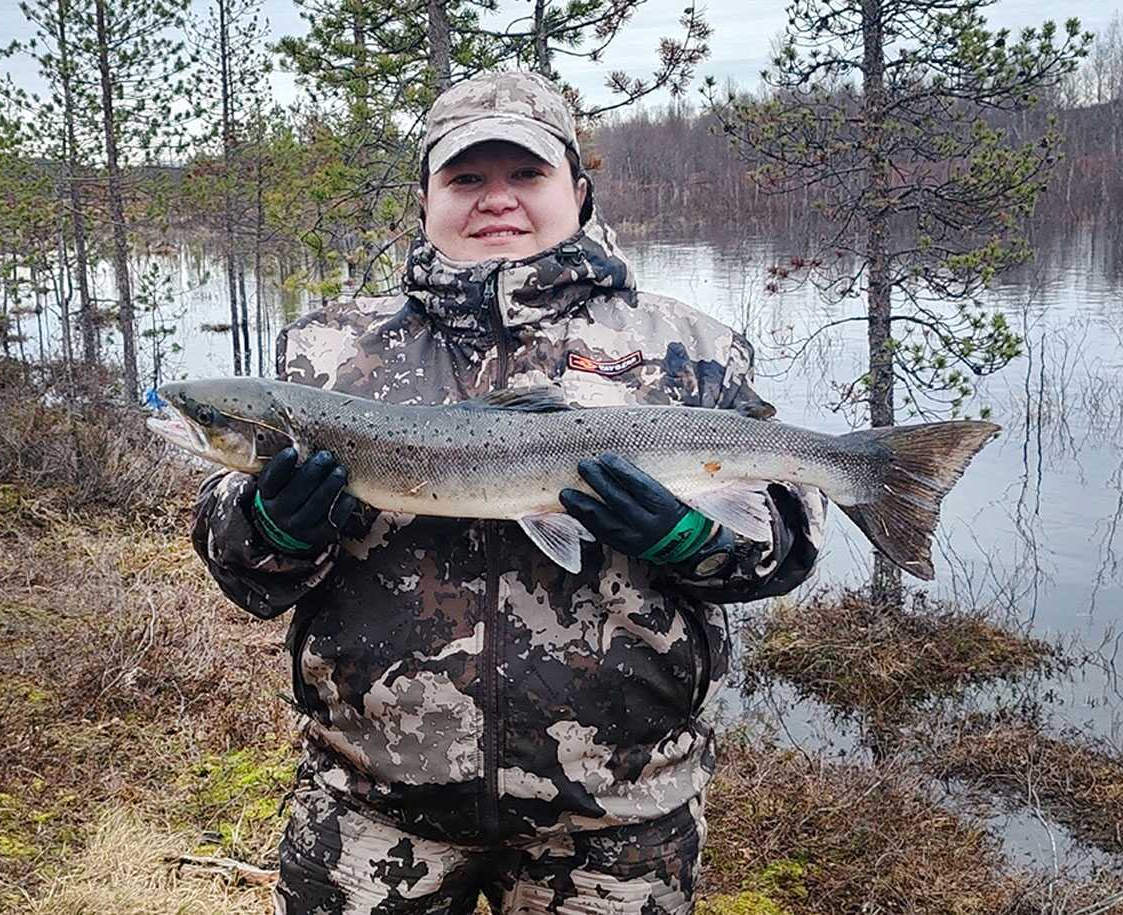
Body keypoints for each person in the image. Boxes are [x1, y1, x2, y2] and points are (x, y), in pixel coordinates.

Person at [192, 71, 826, 915]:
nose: (498, 199)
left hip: (620, 811)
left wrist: (692, 538)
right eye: (466, 178)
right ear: (425, 201)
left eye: (526, 174)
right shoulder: (327, 352)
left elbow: (784, 541)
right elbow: (241, 571)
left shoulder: (687, 350)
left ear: (579, 191)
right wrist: (270, 524)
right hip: (374, 804)